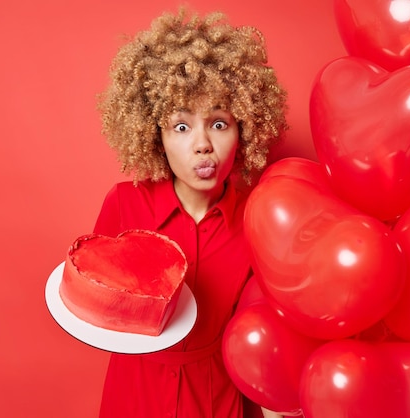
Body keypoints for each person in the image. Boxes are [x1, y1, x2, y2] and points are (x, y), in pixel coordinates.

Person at [92, 8, 289, 418]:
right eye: (181, 126)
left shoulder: (261, 217)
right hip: (135, 394)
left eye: (218, 123)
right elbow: (99, 301)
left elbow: (266, 331)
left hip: (215, 399)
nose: (202, 144)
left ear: (244, 129)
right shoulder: (124, 204)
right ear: (155, 135)